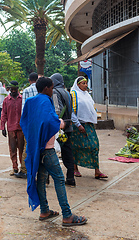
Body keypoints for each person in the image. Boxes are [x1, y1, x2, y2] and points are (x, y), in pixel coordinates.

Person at [20, 77, 87, 226]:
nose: (52, 91)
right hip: (48, 149)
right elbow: (50, 121)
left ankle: (44, 210)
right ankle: (67, 215)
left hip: (37, 148)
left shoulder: (31, 102)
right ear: (46, 89)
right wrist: (60, 123)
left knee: (42, 180)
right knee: (59, 179)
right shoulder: (45, 100)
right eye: (51, 88)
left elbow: (25, 121)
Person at [70, 76, 108, 179]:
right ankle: (75, 168)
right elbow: (72, 112)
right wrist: (78, 124)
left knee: (94, 145)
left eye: (86, 83)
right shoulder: (73, 94)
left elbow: (92, 108)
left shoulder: (87, 95)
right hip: (78, 125)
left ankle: (97, 171)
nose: (86, 85)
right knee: (76, 147)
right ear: (78, 85)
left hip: (89, 125)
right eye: (83, 83)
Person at [50, 73, 76, 187]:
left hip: (60, 128)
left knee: (52, 151)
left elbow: (57, 110)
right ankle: (70, 177)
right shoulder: (66, 92)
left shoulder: (55, 92)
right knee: (67, 152)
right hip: (69, 125)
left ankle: (49, 177)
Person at [15, 72, 39, 179]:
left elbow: (24, 108)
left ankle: (24, 170)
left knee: (27, 146)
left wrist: (23, 123)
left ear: (29, 80)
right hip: (40, 121)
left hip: (30, 122)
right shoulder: (41, 89)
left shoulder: (27, 90)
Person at [0, 81, 25, 176]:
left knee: (22, 148)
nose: (13, 91)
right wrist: (3, 127)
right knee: (12, 148)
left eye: (15, 89)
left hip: (21, 128)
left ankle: (22, 168)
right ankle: (14, 167)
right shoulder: (6, 100)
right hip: (11, 128)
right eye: (12, 89)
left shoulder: (22, 99)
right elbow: (4, 114)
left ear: (18, 89)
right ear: (9, 89)